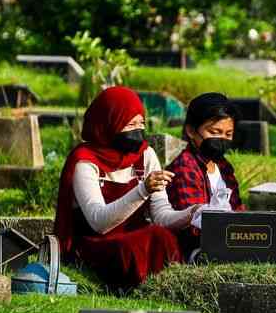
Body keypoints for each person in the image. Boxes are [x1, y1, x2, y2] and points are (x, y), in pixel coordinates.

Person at [54, 86, 195, 288]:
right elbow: (98, 222)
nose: (138, 131)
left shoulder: (146, 155)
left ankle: (171, 287)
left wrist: (193, 213)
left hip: (136, 236)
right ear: (110, 123)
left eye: (141, 123)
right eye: (130, 125)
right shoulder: (84, 162)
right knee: (136, 244)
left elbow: (161, 215)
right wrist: (142, 190)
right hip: (97, 244)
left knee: (162, 236)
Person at [167, 93, 245, 257]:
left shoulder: (224, 167)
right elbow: (193, 225)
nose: (221, 139)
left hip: (229, 240)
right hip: (197, 249)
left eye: (228, 134)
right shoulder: (185, 167)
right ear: (191, 131)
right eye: (214, 132)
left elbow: (238, 209)